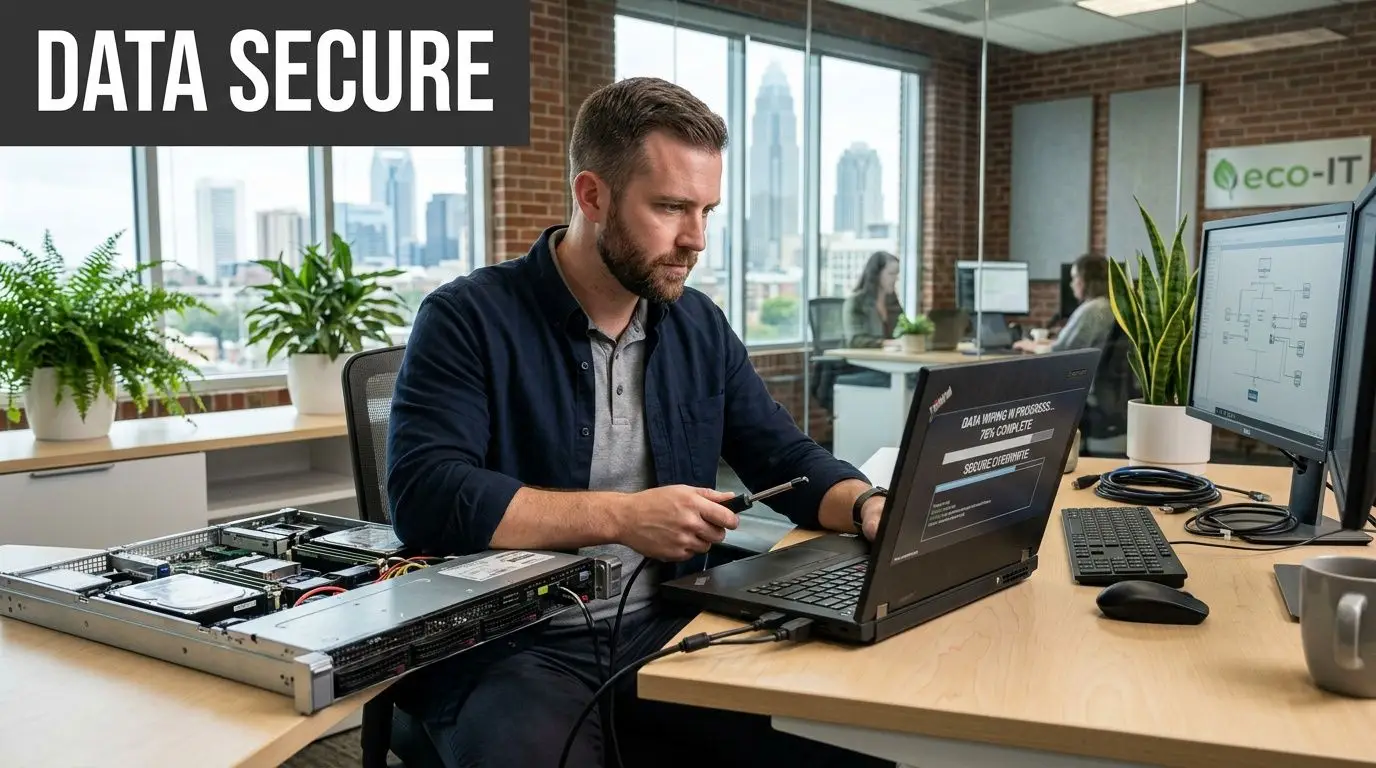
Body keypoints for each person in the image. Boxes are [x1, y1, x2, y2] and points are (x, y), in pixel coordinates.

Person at [387, 76, 893, 768]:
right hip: (514, 646)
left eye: (707, 211)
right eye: (670, 209)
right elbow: (427, 495)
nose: (696, 240)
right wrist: (623, 519)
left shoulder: (696, 326)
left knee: (845, 743)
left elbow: (783, 457)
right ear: (593, 196)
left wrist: (866, 503)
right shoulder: (466, 318)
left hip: (671, 623)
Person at [1014, 253, 1115, 353]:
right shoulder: (1107, 305)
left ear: (1085, 280)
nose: (1072, 284)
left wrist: (1030, 346)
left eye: (1074, 277)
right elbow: (1071, 345)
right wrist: (1043, 343)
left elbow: (1059, 352)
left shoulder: (1092, 310)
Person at [842, 251, 904, 348]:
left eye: (897, 274)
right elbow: (855, 340)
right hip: (862, 361)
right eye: (891, 274)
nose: (895, 279)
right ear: (876, 274)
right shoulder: (856, 302)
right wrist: (887, 343)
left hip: (889, 359)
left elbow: (904, 331)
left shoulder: (893, 302)